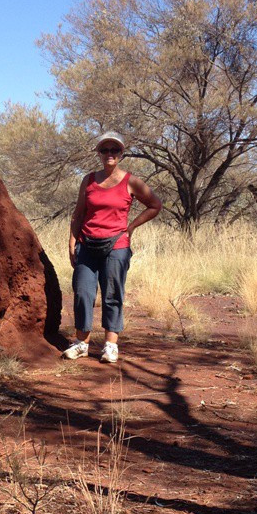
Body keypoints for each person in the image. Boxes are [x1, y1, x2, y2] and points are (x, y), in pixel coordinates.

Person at [63, 131, 162, 363]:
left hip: (116, 245)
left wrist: (131, 227)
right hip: (87, 244)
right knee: (83, 292)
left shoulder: (131, 182)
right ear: (99, 153)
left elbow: (155, 205)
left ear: (121, 154)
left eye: (114, 150)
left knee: (112, 294)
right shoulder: (88, 180)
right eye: (105, 150)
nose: (109, 154)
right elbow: (78, 213)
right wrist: (71, 241)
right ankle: (82, 343)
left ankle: (110, 345)